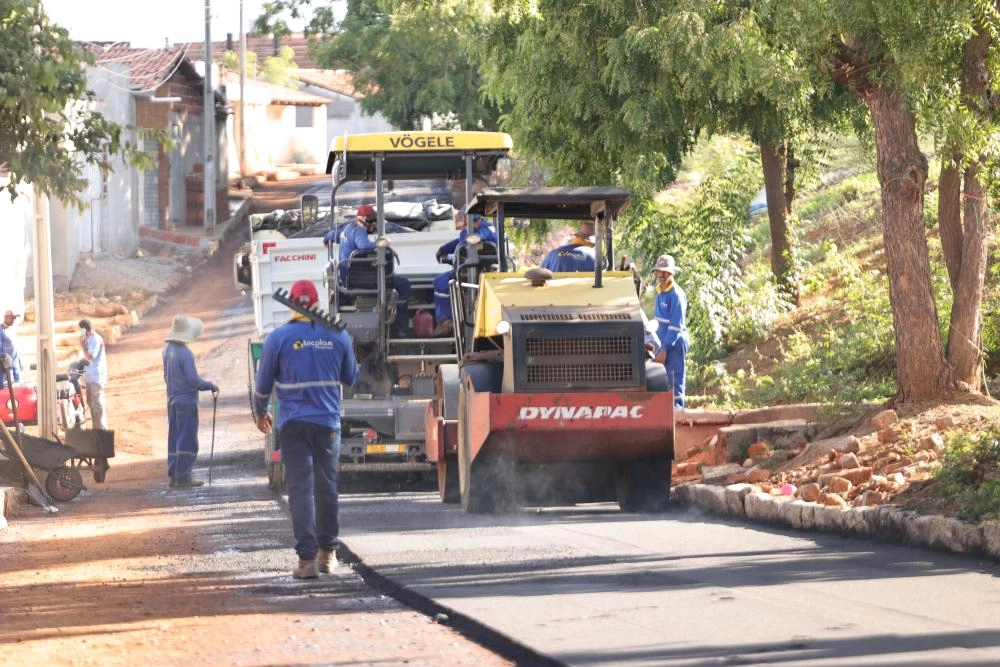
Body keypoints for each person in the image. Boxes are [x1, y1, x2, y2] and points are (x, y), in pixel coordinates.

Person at [252, 279, 359, 579]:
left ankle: (306, 561)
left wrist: (260, 414)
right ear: (316, 303)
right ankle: (328, 554)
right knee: (327, 487)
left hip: (293, 424)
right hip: (327, 424)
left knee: (299, 489)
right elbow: (351, 377)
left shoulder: (278, 338)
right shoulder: (338, 336)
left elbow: (262, 387)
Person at [335, 203, 412, 336]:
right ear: (359, 219)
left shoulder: (345, 229)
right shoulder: (359, 231)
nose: (372, 224)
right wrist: (384, 246)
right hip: (366, 282)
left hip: (349, 281)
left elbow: (332, 235)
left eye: (374, 221)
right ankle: (399, 326)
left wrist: (326, 238)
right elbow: (363, 245)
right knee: (404, 284)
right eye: (370, 221)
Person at [162, 313, 218, 488]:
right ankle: (184, 475)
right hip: (186, 402)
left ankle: (173, 473)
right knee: (187, 439)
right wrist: (210, 386)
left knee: (174, 438)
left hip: (172, 400)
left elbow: (166, 376)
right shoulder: (185, 353)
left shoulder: (167, 350)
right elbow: (194, 381)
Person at [432, 213, 498, 337]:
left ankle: (446, 320)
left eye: (469, 223)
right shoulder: (478, 229)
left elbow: (474, 239)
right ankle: (448, 321)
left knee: (441, 283)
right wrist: (444, 249)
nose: (466, 226)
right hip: (469, 271)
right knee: (440, 281)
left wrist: (472, 236)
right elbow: (460, 241)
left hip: (477, 272)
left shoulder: (486, 230)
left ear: (477, 221)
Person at [651, 255, 689, 408]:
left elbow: (675, 326)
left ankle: (677, 412)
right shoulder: (660, 292)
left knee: (674, 378)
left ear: (671, 273)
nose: (661, 275)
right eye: (659, 272)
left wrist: (665, 349)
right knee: (663, 380)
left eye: (664, 272)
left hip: (674, 343)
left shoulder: (676, 294)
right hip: (662, 342)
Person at [78, 319, 109, 429]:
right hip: (90, 376)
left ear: (84, 330)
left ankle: (101, 428)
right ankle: (96, 427)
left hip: (96, 376)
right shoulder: (89, 338)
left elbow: (89, 356)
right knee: (90, 401)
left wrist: (82, 345)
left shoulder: (95, 339)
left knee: (97, 403)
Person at [0, 310, 22, 387]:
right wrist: (3, 356)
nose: (13, 320)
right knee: (4, 387)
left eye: (14, 318)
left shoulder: (11, 330)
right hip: (5, 364)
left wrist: (19, 359)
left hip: (15, 364)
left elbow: (14, 346)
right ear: (6, 318)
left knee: (18, 385)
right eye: (12, 318)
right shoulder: (1, 330)